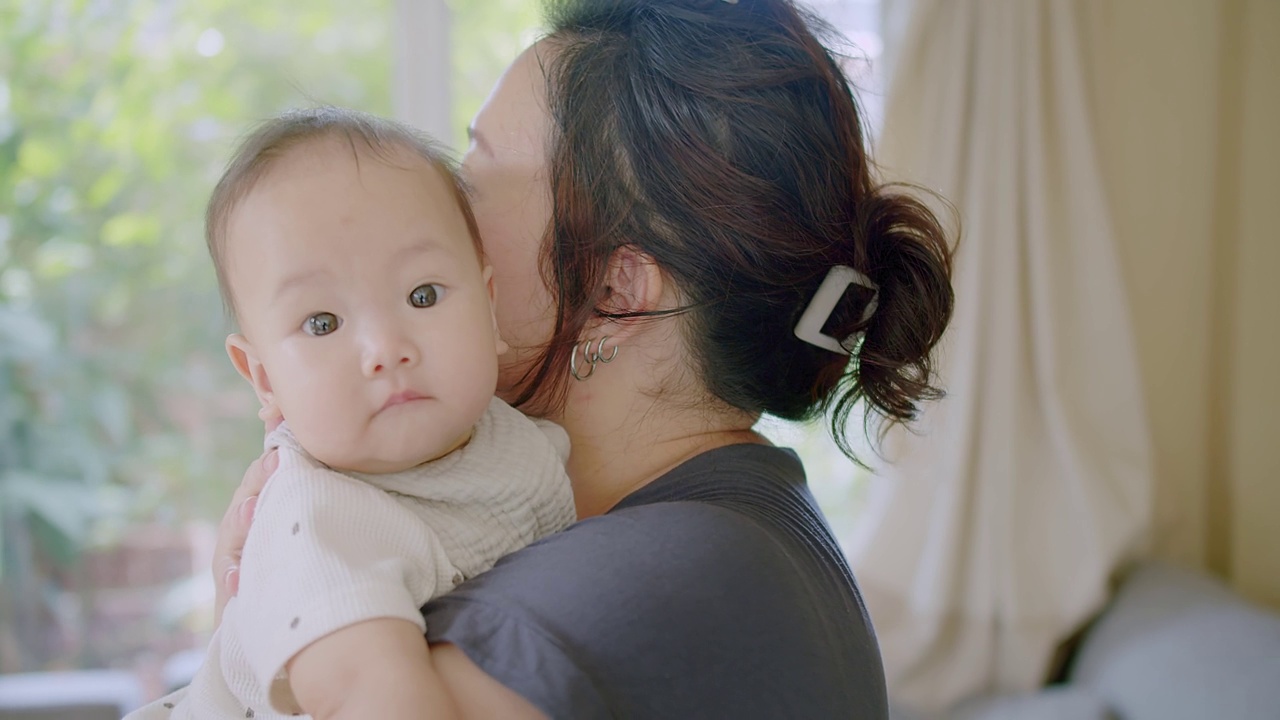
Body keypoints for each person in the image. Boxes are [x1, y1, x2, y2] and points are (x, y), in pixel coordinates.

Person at [213, 0, 954, 717]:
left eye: (471, 181)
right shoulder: (724, 534)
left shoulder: (658, 577)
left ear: (613, 285)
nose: (421, 219)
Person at [130, 108, 575, 719]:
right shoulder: (316, 518)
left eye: (423, 295)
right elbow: (366, 695)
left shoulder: (517, 438)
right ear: (264, 379)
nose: (384, 349)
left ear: (489, 308)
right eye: (322, 323)